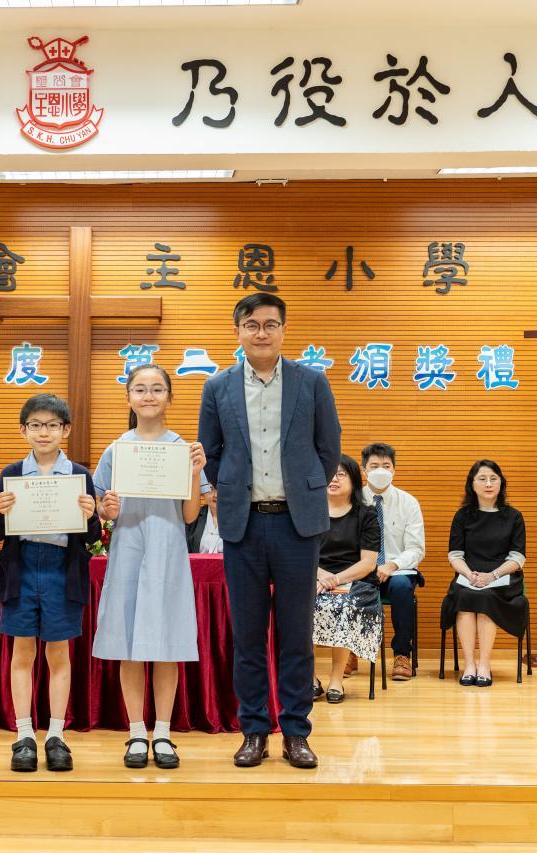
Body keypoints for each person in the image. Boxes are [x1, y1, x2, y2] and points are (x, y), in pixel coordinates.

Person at [198, 293, 341, 770]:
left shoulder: (311, 382)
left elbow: (328, 450)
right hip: (243, 524)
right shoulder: (218, 386)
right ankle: (254, 730)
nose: (261, 333)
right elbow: (212, 454)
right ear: (238, 330)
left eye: (270, 324)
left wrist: (302, 489)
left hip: (297, 526)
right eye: (252, 324)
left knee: (296, 634)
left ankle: (296, 732)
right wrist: (233, 490)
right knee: (249, 636)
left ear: (283, 330)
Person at [94, 364, 208, 770]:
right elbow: (102, 509)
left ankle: (162, 732)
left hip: (168, 553)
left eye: (157, 389)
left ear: (169, 398)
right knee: (128, 645)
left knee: (166, 645)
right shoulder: (116, 449)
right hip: (128, 550)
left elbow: (191, 515)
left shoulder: (183, 449)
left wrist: (195, 473)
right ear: (128, 397)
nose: (148, 396)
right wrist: (107, 510)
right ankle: (136, 732)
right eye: (140, 389)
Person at [0, 393, 99, 773]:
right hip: (21, 567)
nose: (44, 432)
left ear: (65, 429)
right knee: (22, 653)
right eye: (35, 425)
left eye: (52, 425)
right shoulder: (12, 473)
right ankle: (23, 736)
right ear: (23, 430)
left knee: (58, 654)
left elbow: (92, 537)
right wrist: (0, 511)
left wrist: (91, 515)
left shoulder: (80, 475)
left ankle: (55, 735)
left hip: (62, 570)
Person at [441, 459, 528, 688]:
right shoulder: (463, 516)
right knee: (465, 596)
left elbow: (518, 558)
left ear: (501, 483)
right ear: (472, 484)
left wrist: (492, 576)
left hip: (503, 579)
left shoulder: (513, 517)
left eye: (493, 478)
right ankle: (469, 664)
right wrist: (470, 575)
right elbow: (455, 555)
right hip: (469, 577)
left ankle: (484, 664)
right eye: (482, 479)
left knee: (486, 597)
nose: (488, 484)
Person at [347, 442, 425, 682]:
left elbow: (416, 549)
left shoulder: (408, 502)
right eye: (374, 466)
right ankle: (350, 651)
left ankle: (402, 654)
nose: (380, 470)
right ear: (364, 470)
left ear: (394, 470)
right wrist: (365, 566)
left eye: (386, 465)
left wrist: (391, 565)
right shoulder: (352, 500)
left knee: (402, 588)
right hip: (360, 569)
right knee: (348, 589)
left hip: (396, 571)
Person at [313, 455, 381, 704]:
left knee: (345, 606)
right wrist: (320, 575)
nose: (334, 479)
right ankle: (310, 679)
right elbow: (300, 552)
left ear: (354, 481)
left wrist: (335, 579)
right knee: (299, 605)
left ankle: (336, 679)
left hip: (355, 580)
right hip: (315, 576)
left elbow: (368, 563)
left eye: (340, 474)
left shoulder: (366, 514)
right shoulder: (310, 512)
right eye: (329, 474)